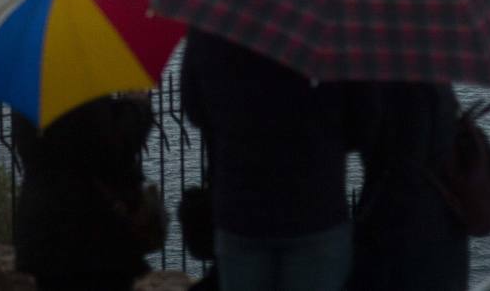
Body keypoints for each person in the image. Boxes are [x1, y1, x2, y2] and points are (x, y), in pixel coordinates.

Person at [181, 29, 359, 291]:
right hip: (315, 207)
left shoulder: (214, 25)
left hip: (240, 208)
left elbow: (195, 108)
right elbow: (362, 124)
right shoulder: (331, 30)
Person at [12, 94, 161, 291]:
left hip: (42, 234)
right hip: (91, 236)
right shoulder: (80, 92)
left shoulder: (27, 97)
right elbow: (110, 148)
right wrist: (137, 107)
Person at [347, 83, 469, 291]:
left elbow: (403, 171)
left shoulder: (396, 93)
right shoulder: (439, 87)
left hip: (398, 239)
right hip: (446, 230)